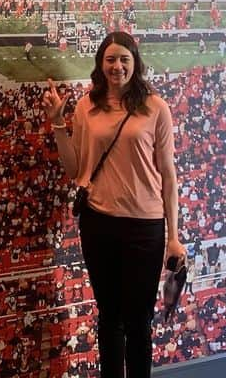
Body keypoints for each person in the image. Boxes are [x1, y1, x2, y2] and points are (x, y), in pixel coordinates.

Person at [42, 31, 185, 378]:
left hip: (145, 226)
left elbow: (168, 174)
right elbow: (76, 170)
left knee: (138, 322)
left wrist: (174, 236)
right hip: (99, 223)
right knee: (109, 318)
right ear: (100, 64)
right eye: (110, 59)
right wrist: (59, 124)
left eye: (124, 59)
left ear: (135, 64)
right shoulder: (86, 106)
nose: (117, 66)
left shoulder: (155, 107)